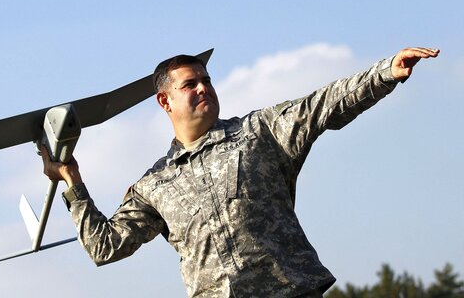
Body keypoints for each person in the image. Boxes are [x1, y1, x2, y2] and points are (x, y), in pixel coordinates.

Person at [40, 47, 440, 298]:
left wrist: (385, 73)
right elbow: (106, 247)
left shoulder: (259, 132)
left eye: (207, 81)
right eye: (190, 84)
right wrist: (72, 181)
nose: (204, 89)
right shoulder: (154, 185)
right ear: (165, 101)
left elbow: (322, 104)